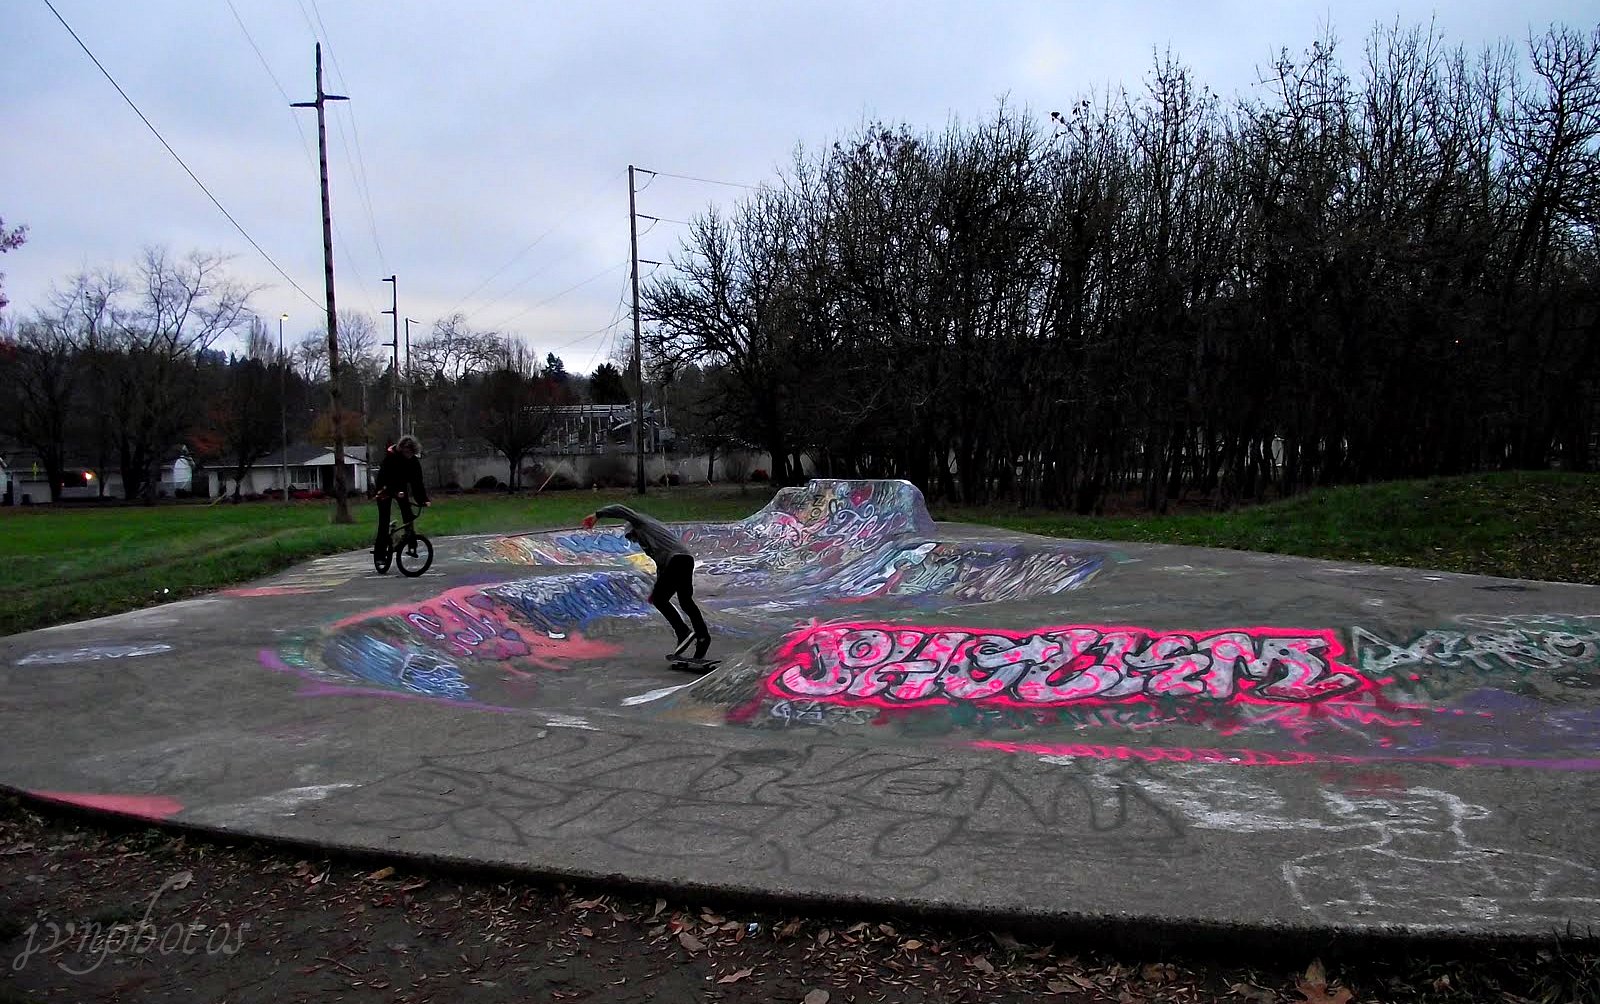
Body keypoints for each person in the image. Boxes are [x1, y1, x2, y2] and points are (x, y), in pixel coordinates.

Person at [584, 504, 710, 660]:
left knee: (660, 600)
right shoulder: (653, 542)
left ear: (634, 530)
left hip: (677, 560)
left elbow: (621, 510)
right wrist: (657, 589)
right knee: (685, 601)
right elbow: (662, 566)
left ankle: (683, 631)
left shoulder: (641, 523)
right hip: (685, 560)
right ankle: (703, 637)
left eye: (632, 536)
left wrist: (598, 515)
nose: (633, 540)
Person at [373, 435, 430, 558]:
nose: (408, 455)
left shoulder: (413, 462)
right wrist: (393, 492)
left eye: (411, 453)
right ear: (401, 449)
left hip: (400, 489)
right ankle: (380, 553)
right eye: (406, 452)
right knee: (384, 520)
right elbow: (385, 478)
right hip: (384, 489)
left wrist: (423, 499)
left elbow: (417, 482)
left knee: (408, 514)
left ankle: (411, 542)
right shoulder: (391, 458)